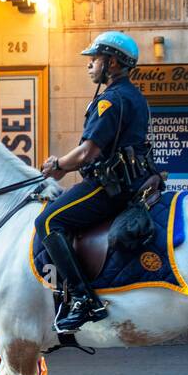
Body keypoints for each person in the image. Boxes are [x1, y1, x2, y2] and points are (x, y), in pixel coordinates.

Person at [37, 30, 154, 332]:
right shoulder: (133, 96)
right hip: (129, 182)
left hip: (109, 188)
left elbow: (89, 150)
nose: (89, 65)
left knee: (48, 222)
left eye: (94, 59)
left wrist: (58, 164)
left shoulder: (111, 100)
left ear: (112, 63)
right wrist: (67, 168)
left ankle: (84, 299)